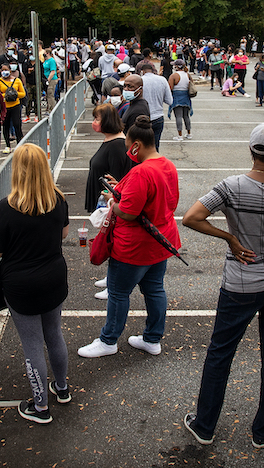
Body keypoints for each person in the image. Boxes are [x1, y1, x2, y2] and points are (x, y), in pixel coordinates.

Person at [181, 123, 264, 449]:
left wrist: (229, 236)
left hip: (241, 282)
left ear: (252, 151)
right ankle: (262, 431)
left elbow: (191, 218)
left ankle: (205, 425)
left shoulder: (231, 187)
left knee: (220, 354)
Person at [78, 115, 180, 358]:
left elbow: (128, 213)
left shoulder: (141, 172)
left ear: (136, 145)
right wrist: (121, 187)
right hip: (161, 241)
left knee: (118, 293)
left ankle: (108, 340)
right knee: (155, 290)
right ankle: (152, 338)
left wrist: (113, 203)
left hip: (134, 247)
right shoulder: (167, 165)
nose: (127, 152)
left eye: (128, 147)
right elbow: (168, 201)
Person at [0, 144, 70, 424]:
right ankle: (61, 389)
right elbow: (64, 233)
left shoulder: (6, 208)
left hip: (21, 284)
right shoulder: (58, 199)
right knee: (54, 334)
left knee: (32, 343)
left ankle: (40, 407)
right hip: (54, 278)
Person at [140, 62, 172, 147]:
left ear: (143, 71)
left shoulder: (140, 80)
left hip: (143, 117)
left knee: (143, 145)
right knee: (155, 145)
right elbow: (170, 101)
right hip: (158, 116)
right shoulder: (162, 80)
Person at [0, 63, 26, 153]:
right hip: (5, 106)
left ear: (10, 70)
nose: (4, 72)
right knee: (6, 125)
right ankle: (7, 145)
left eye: (6, 70)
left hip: (15, 105)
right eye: (2, 70)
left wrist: (15, 94)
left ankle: (20, 143)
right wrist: (7, 95)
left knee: (17, 124)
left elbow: (23, 93)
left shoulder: (17, 80)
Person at [168, 60, 193, 141]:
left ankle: (180, 135)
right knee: (186, 116)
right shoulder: (187, 75)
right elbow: (191, 84)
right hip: (186, 96)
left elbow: (170, 88)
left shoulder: (174, 76)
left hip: (177, 97)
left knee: (178, 116)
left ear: (177, 66)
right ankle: (189, 133)